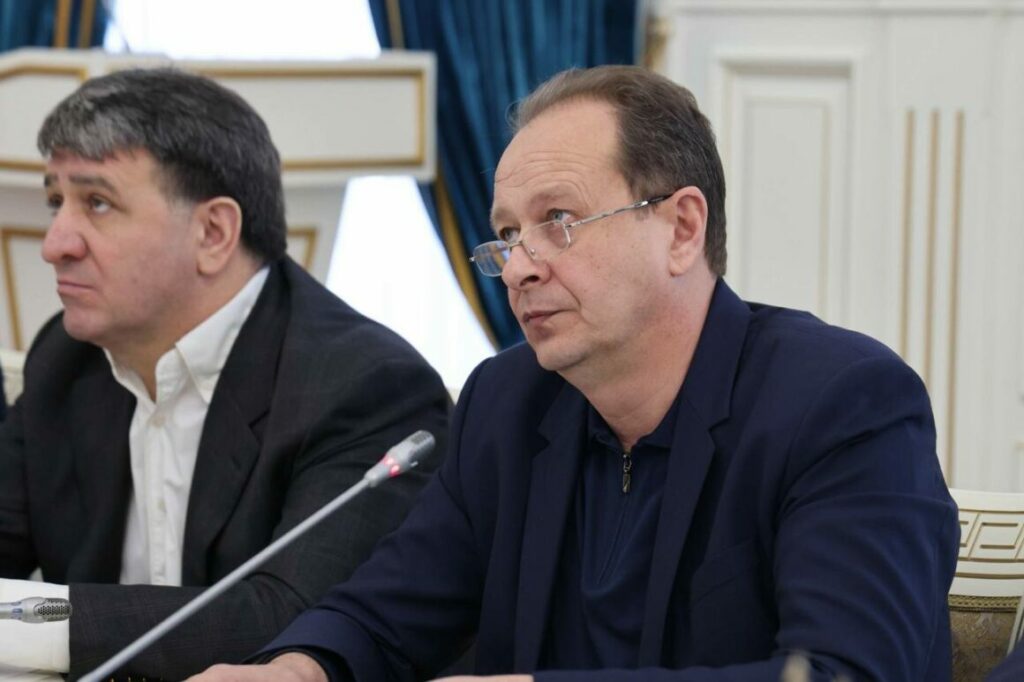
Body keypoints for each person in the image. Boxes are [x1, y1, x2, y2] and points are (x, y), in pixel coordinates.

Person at [191, 65, 959, 682]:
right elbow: (386, 612)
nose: (517, 268)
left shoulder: (841, 403)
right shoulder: (506, 404)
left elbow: (843, 671)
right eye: (505, 236)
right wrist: (301, 666)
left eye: (557, 222)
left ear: (682, 228)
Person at [0, 68, 449, 680]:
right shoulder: (66, 359)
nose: (55, 243)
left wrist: (23, 622)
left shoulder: (364, 385)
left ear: (213, 233)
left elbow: (292, 617)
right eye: (57, 202)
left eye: (96, 203)